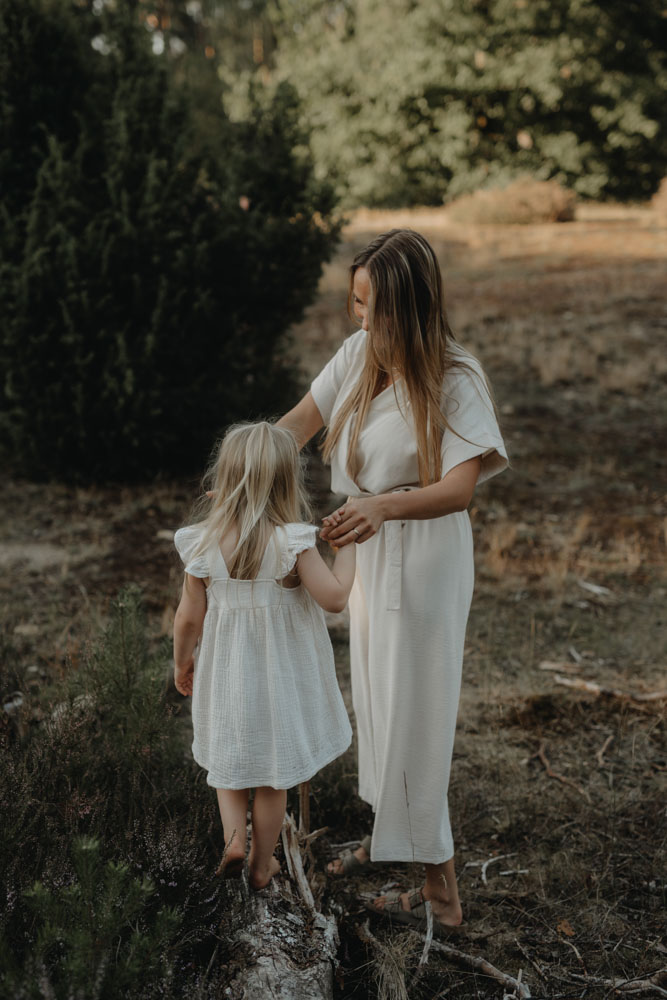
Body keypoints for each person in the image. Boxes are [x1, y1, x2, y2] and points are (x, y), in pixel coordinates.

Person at [278, 229, 508, 931]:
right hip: (368, 549)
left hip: (424, 552)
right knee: (376, 706)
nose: (356, 317)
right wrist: (244, 467)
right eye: (353, 301)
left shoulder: (454, 376)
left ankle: (442, 894)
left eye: (368, 305)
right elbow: (295, 426)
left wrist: (380, 505)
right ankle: (391, 838)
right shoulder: (356, 356)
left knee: (414, 716)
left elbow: (461, 488)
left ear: (405, 309)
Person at [172, 421, 354, 890]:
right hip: (278, 681)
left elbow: (188, 618)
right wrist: (347, 547)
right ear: (287, 483)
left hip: (226, 675)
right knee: (274, 777)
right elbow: (334, 599)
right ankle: (260, 863)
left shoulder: (203, 543)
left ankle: (233, 840)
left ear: (226, 479)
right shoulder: (292, 541)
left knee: (229, 763)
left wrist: (182, 662)